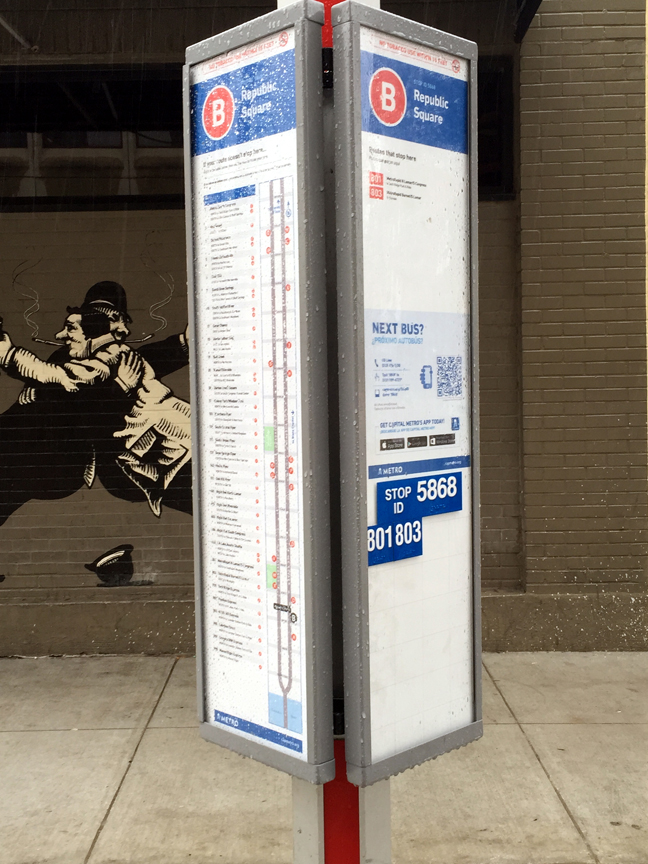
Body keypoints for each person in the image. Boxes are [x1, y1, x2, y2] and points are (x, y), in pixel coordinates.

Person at [0, 304, 192, 524]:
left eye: (71, 328)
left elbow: (68, 378)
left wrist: (10, 356)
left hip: (173, 446)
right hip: (160, 451)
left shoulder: (111, 355)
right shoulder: (99, 355)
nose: (61, 336)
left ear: (92, 333)